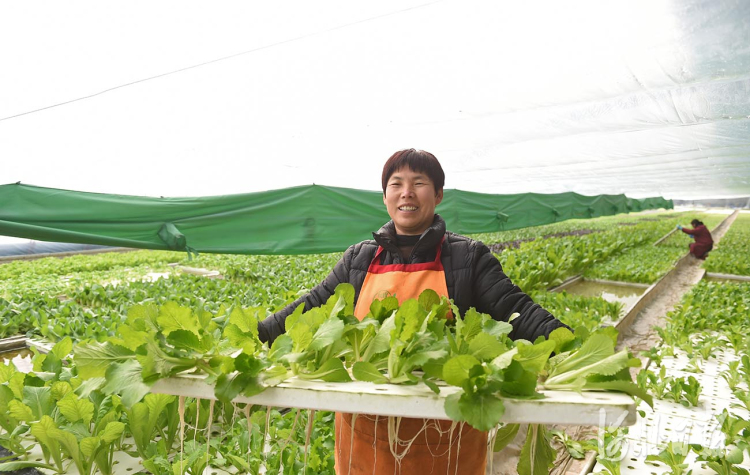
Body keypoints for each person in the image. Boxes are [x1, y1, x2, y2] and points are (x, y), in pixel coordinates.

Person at [258, 148, 570, 475]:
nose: (406, 192)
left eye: (418, 182)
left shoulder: (468, 258)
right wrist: (259, 336)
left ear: (437, 195)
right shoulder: (359, 260)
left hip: (446, 439)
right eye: (396, 184)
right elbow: (311, 307)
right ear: (385, 197)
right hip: (365, 440)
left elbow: (517, 310)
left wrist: (569, 348)